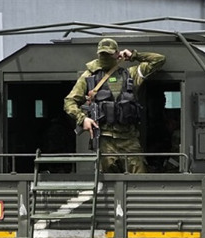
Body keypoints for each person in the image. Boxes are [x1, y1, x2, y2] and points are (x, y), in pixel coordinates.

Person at [64, 38, 165, 173]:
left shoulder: (130, 74)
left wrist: (134, 55)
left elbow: (159, 60)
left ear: (117, 53)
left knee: (139, 179)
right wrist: (83, 119)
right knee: (107, 183)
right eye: (102, 54)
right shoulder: (89, 76)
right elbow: (69, 102)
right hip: (105, 139)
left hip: (129, 138)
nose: (105, 57)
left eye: (108, 54)